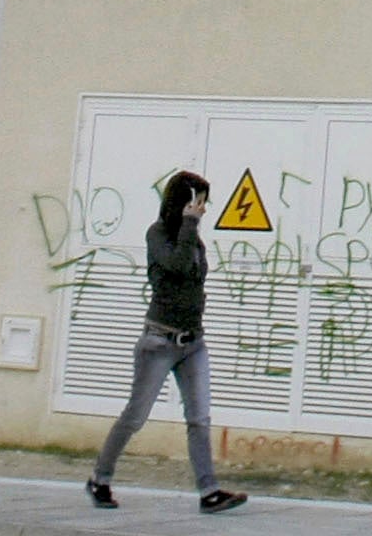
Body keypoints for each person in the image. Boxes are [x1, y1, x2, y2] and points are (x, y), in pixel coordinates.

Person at [87, 171, 246, 513]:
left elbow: (193, 279)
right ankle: (100, 478)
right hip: (159, 341)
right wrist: (189, 225)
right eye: (198, 202)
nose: (203, 210)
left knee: (199, 418)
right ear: (183, 202)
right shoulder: (157, 234)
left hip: (193, 343)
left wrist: (192, 230)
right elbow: (174, 266)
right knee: (135, 416)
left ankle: (209, 492)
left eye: (204, 203)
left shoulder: (195, 238)